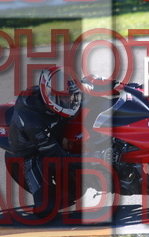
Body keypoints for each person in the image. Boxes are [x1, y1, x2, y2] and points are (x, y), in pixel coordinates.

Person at [7, 66, 115, 219]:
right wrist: (95, 158)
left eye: (72, 97)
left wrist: (132, 88)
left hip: (57, 134)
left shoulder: (69, 91)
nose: (69, 102)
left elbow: (98, 85)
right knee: (46, 210)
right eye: (62, 99)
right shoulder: (33, 120)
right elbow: (57, 157)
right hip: (34, 154)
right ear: (48, 95)